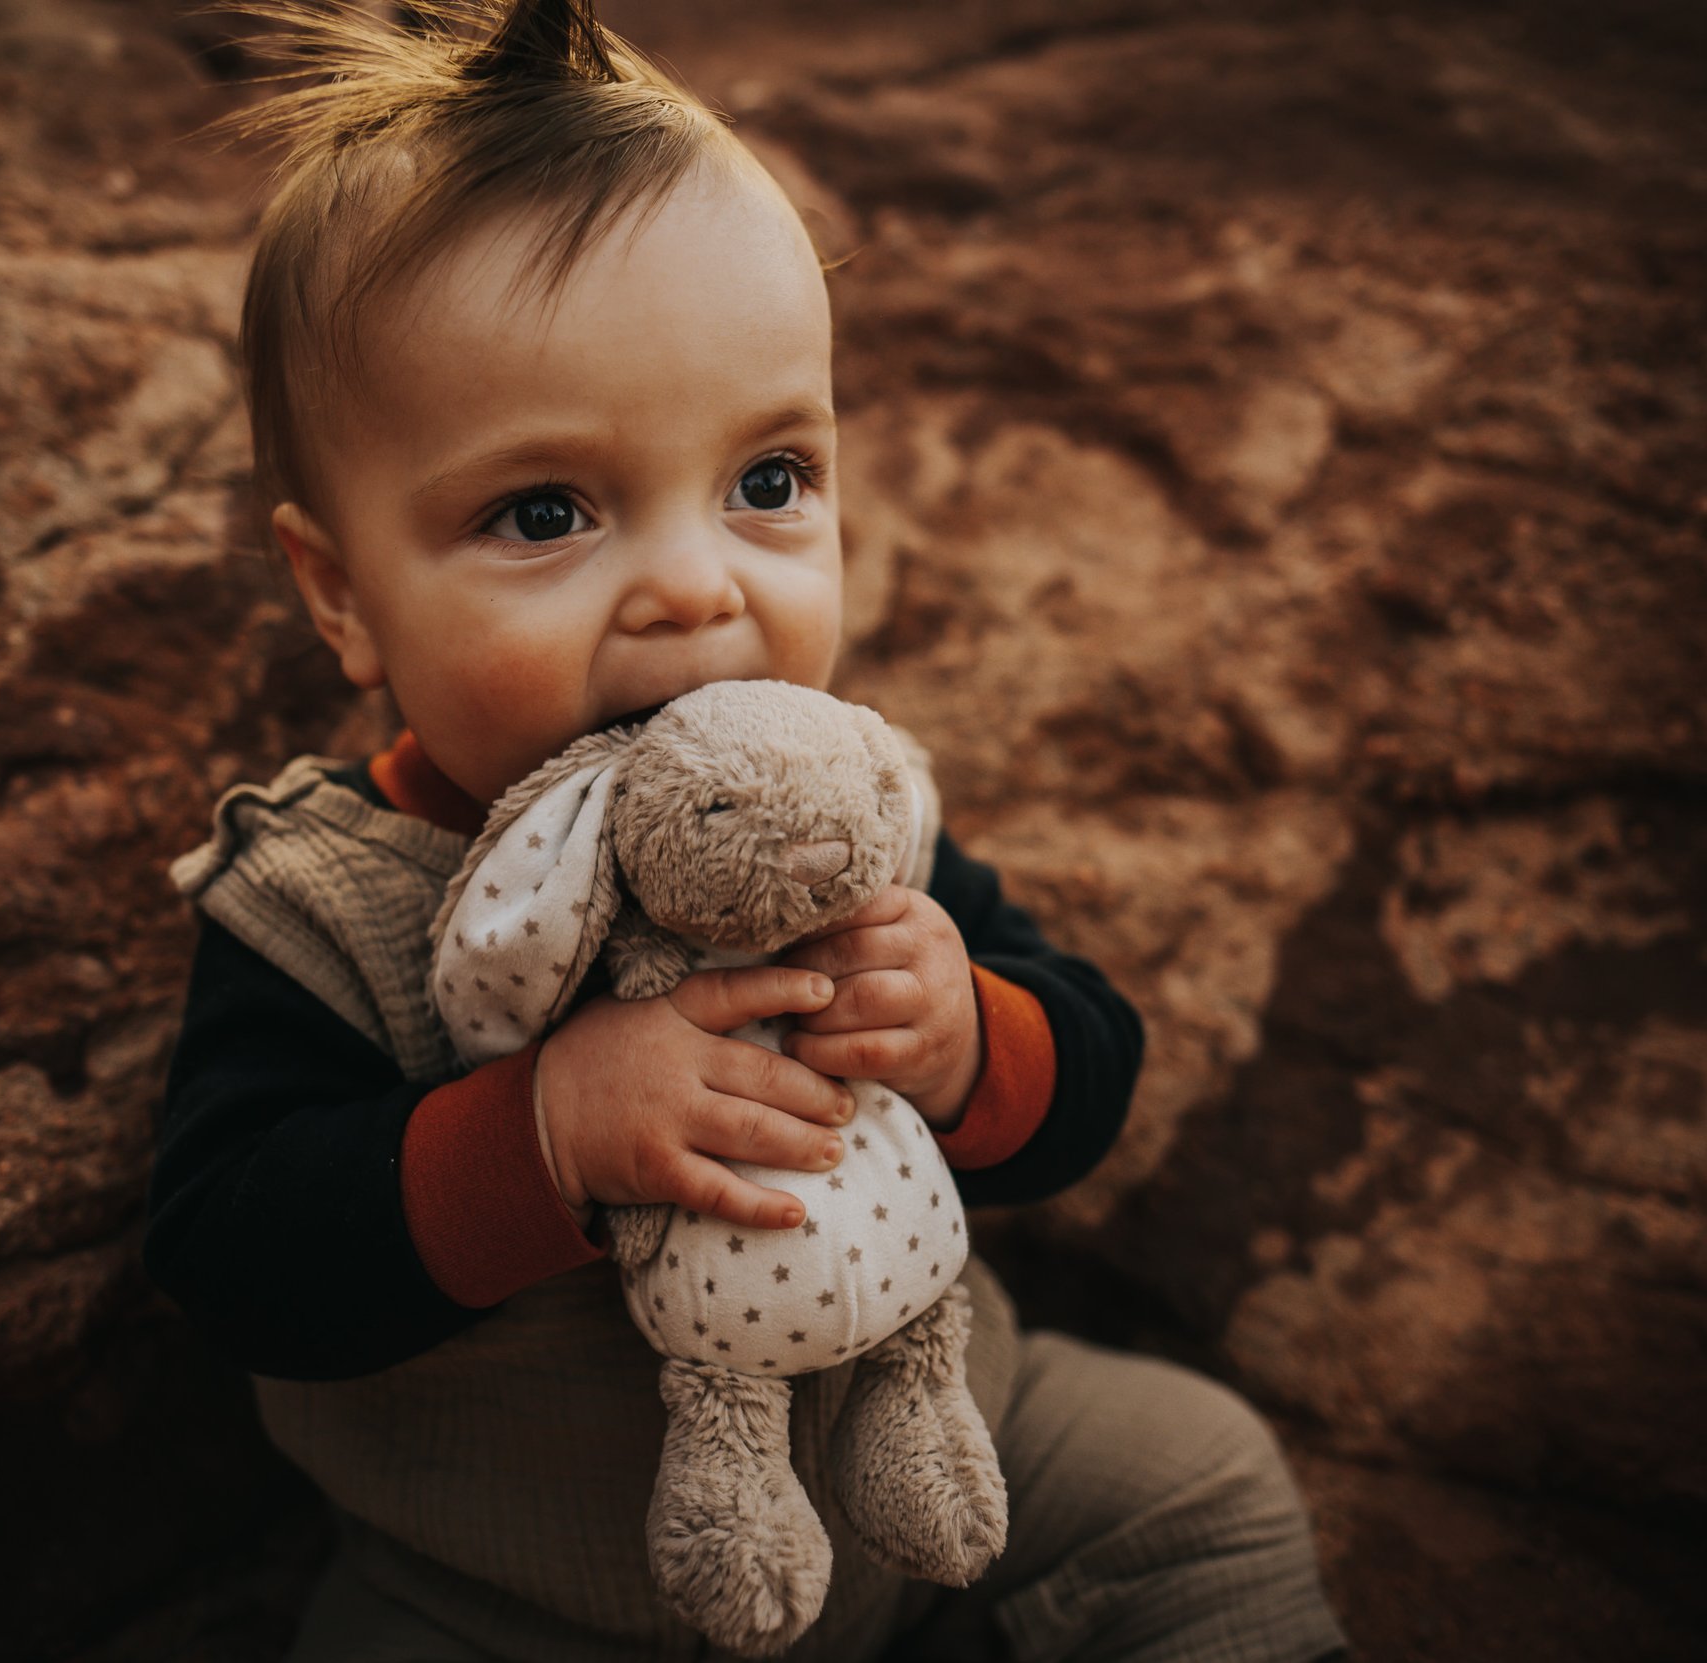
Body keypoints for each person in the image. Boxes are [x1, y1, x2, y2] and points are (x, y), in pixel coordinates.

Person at [143, 3, 1350, 1658]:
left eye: (768, 479)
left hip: (946, 1484)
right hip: (514, 1599)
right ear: (343, 595)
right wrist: (543, 1133)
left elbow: (1093, 1072)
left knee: (1192, 1475)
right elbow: (235, 1258)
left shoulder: (833, 811)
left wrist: (961, 1031)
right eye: (545, 513)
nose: (699, 588)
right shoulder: (323, 907)